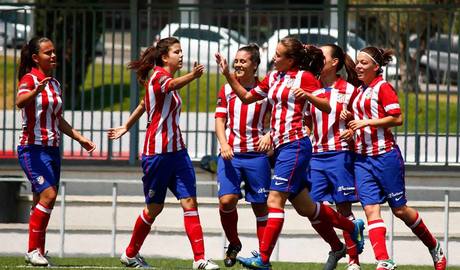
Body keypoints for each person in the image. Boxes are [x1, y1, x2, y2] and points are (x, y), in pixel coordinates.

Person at [215, 37, 365, 270]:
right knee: (307, 208)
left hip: (295, 146)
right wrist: (227, 75)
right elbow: (246, 97)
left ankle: (263, 260)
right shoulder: (274, 77)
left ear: (291, 59)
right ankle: (351, 227)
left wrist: (309, 96)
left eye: (278, 55)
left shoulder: (304, 77)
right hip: (283, 148)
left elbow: (327, 106)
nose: (274, 58)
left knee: (274, 201)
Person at [108, 37, 219, 270]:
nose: (181, 55)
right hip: (157, 153)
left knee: (189, 202)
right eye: (177, 52)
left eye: (181, 51)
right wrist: (193, 76)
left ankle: (200, 259)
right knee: (154, 208)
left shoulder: (160, 78)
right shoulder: (159, 76)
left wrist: (126, 125)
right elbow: (170, 87)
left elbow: (142, 104)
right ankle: (130, 254)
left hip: (177, 152)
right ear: (164, 57)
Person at [341, 46, 447, 270]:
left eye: (364, 63)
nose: (359, 66)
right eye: (358, 62)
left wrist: (366, 123)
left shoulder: (383, 88)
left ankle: (434, 246)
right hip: (362, 159)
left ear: (376, 68)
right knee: (370, 209)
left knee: (400, 210)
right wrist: (351, 126)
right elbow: (361, 121)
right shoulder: (360, 91)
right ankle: (384, 261)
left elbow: (397, 118)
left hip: (385, 157)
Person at [16, 36, 96, 266]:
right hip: (32, 149)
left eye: (53, 51)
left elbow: (58, 119)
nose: (53, 56)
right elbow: (20, 102)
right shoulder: (30, 79)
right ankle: (33, 250)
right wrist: (35, 91)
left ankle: (37, 250)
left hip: (52, 150)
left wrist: (80, 138)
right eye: (47, 53)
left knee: (41, 200)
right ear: (35, 58)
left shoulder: (54, 83)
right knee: (48, 196)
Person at [214, 44, 272, 267]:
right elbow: (219, 119)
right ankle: (234, 243)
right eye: (236, 60)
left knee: (260, 206)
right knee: (227, 200)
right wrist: (224, 143)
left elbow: (277, 120)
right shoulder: (226, 89)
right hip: (231, 155)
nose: (238, 64)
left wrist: (269, 135)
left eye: (243, 61)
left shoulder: (265, 91)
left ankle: (263, 257)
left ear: (255, 65)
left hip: (257, 157)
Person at [305, 44, 361, 270]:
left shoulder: (350, 90)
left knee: (343, 209)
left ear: (334, 62)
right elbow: (308, 121)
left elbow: (361, 121)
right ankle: (337, 246)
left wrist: (352, 130)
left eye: (322, 56)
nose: (318, 59)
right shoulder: (312, 88)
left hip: (340, 155)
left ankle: (354, 262)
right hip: (316, 156)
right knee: (312, 209)